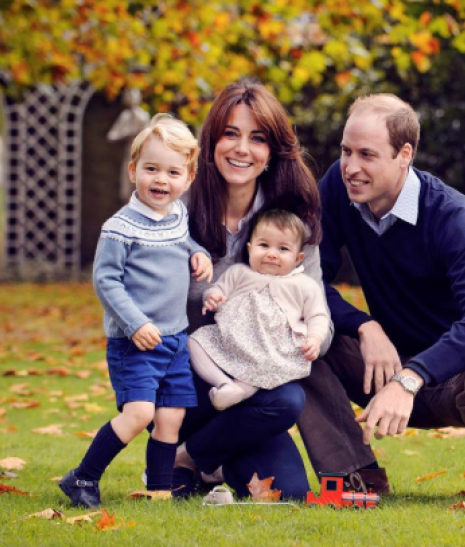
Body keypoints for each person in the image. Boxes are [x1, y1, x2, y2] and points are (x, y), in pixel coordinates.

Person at [298, 94, 465, 497]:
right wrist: (364, 325)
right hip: (384, 363)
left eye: (367, 155)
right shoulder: (338, 186)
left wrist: (411, 377)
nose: (351, 167)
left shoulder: (451, 215)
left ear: (404, 154)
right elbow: (304, 278)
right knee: (296, 332)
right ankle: (356, 476)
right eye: (346, 151)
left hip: (459, 376)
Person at [173, 80, 332, 500]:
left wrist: (305, 338)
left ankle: (191, 457)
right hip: (187, 380)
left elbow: (317, 307)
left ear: (272, 152)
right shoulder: (179, 207)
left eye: (257, 138)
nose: (242, 149)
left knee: (289, 487)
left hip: (257, 386)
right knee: (275, 402)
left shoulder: (291, 219)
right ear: (211, 142)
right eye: (231, 134)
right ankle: (191, 450)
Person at [59, 114, 213, 508]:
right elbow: (106, 281)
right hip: (136, 342)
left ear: (189, 177)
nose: (161, 180)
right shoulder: (119, 227)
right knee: (140, 412)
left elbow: (185, 241)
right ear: (133, 171)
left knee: (171, 419)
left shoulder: (177, 216)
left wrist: (198, 253)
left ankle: (160, 490)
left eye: (173, 172)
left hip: (175, 339)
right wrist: (135, 323)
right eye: (151, 169)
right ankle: (82, 478)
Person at [189, 209, 330, 411]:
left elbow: (317, 315)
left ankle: (240, 390)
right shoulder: (239, 273)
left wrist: (314, 339)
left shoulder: (304, 285)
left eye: (283, 249)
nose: (271, 254)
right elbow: (217, 290)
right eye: (264, 245)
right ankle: (224, 384)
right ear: (249, 248)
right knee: (194, 342)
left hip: (273, 348)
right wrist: (212, 298)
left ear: (298, 258)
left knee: (265, 367)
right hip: (231, 341)